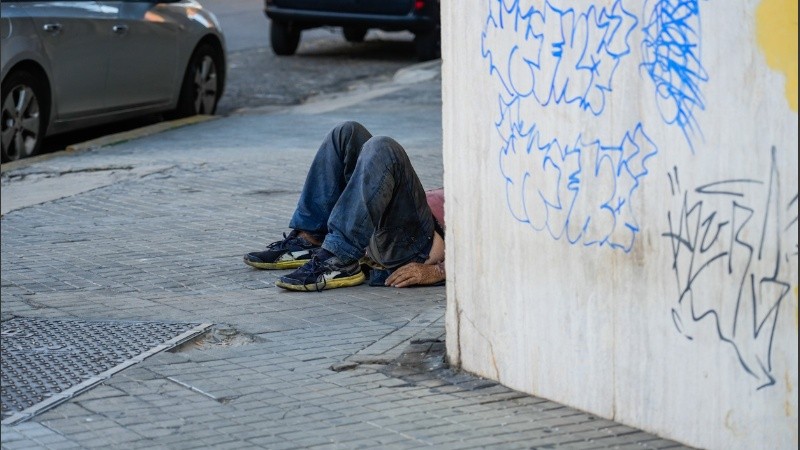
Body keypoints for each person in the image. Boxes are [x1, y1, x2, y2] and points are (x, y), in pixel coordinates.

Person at [244, 121, 446, 292]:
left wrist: (439, 272)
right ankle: (311, 240)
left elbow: (478, 251)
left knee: (383, 147)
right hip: (383, 226)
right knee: (347, 132)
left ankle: (340, 259)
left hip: (415, 244)